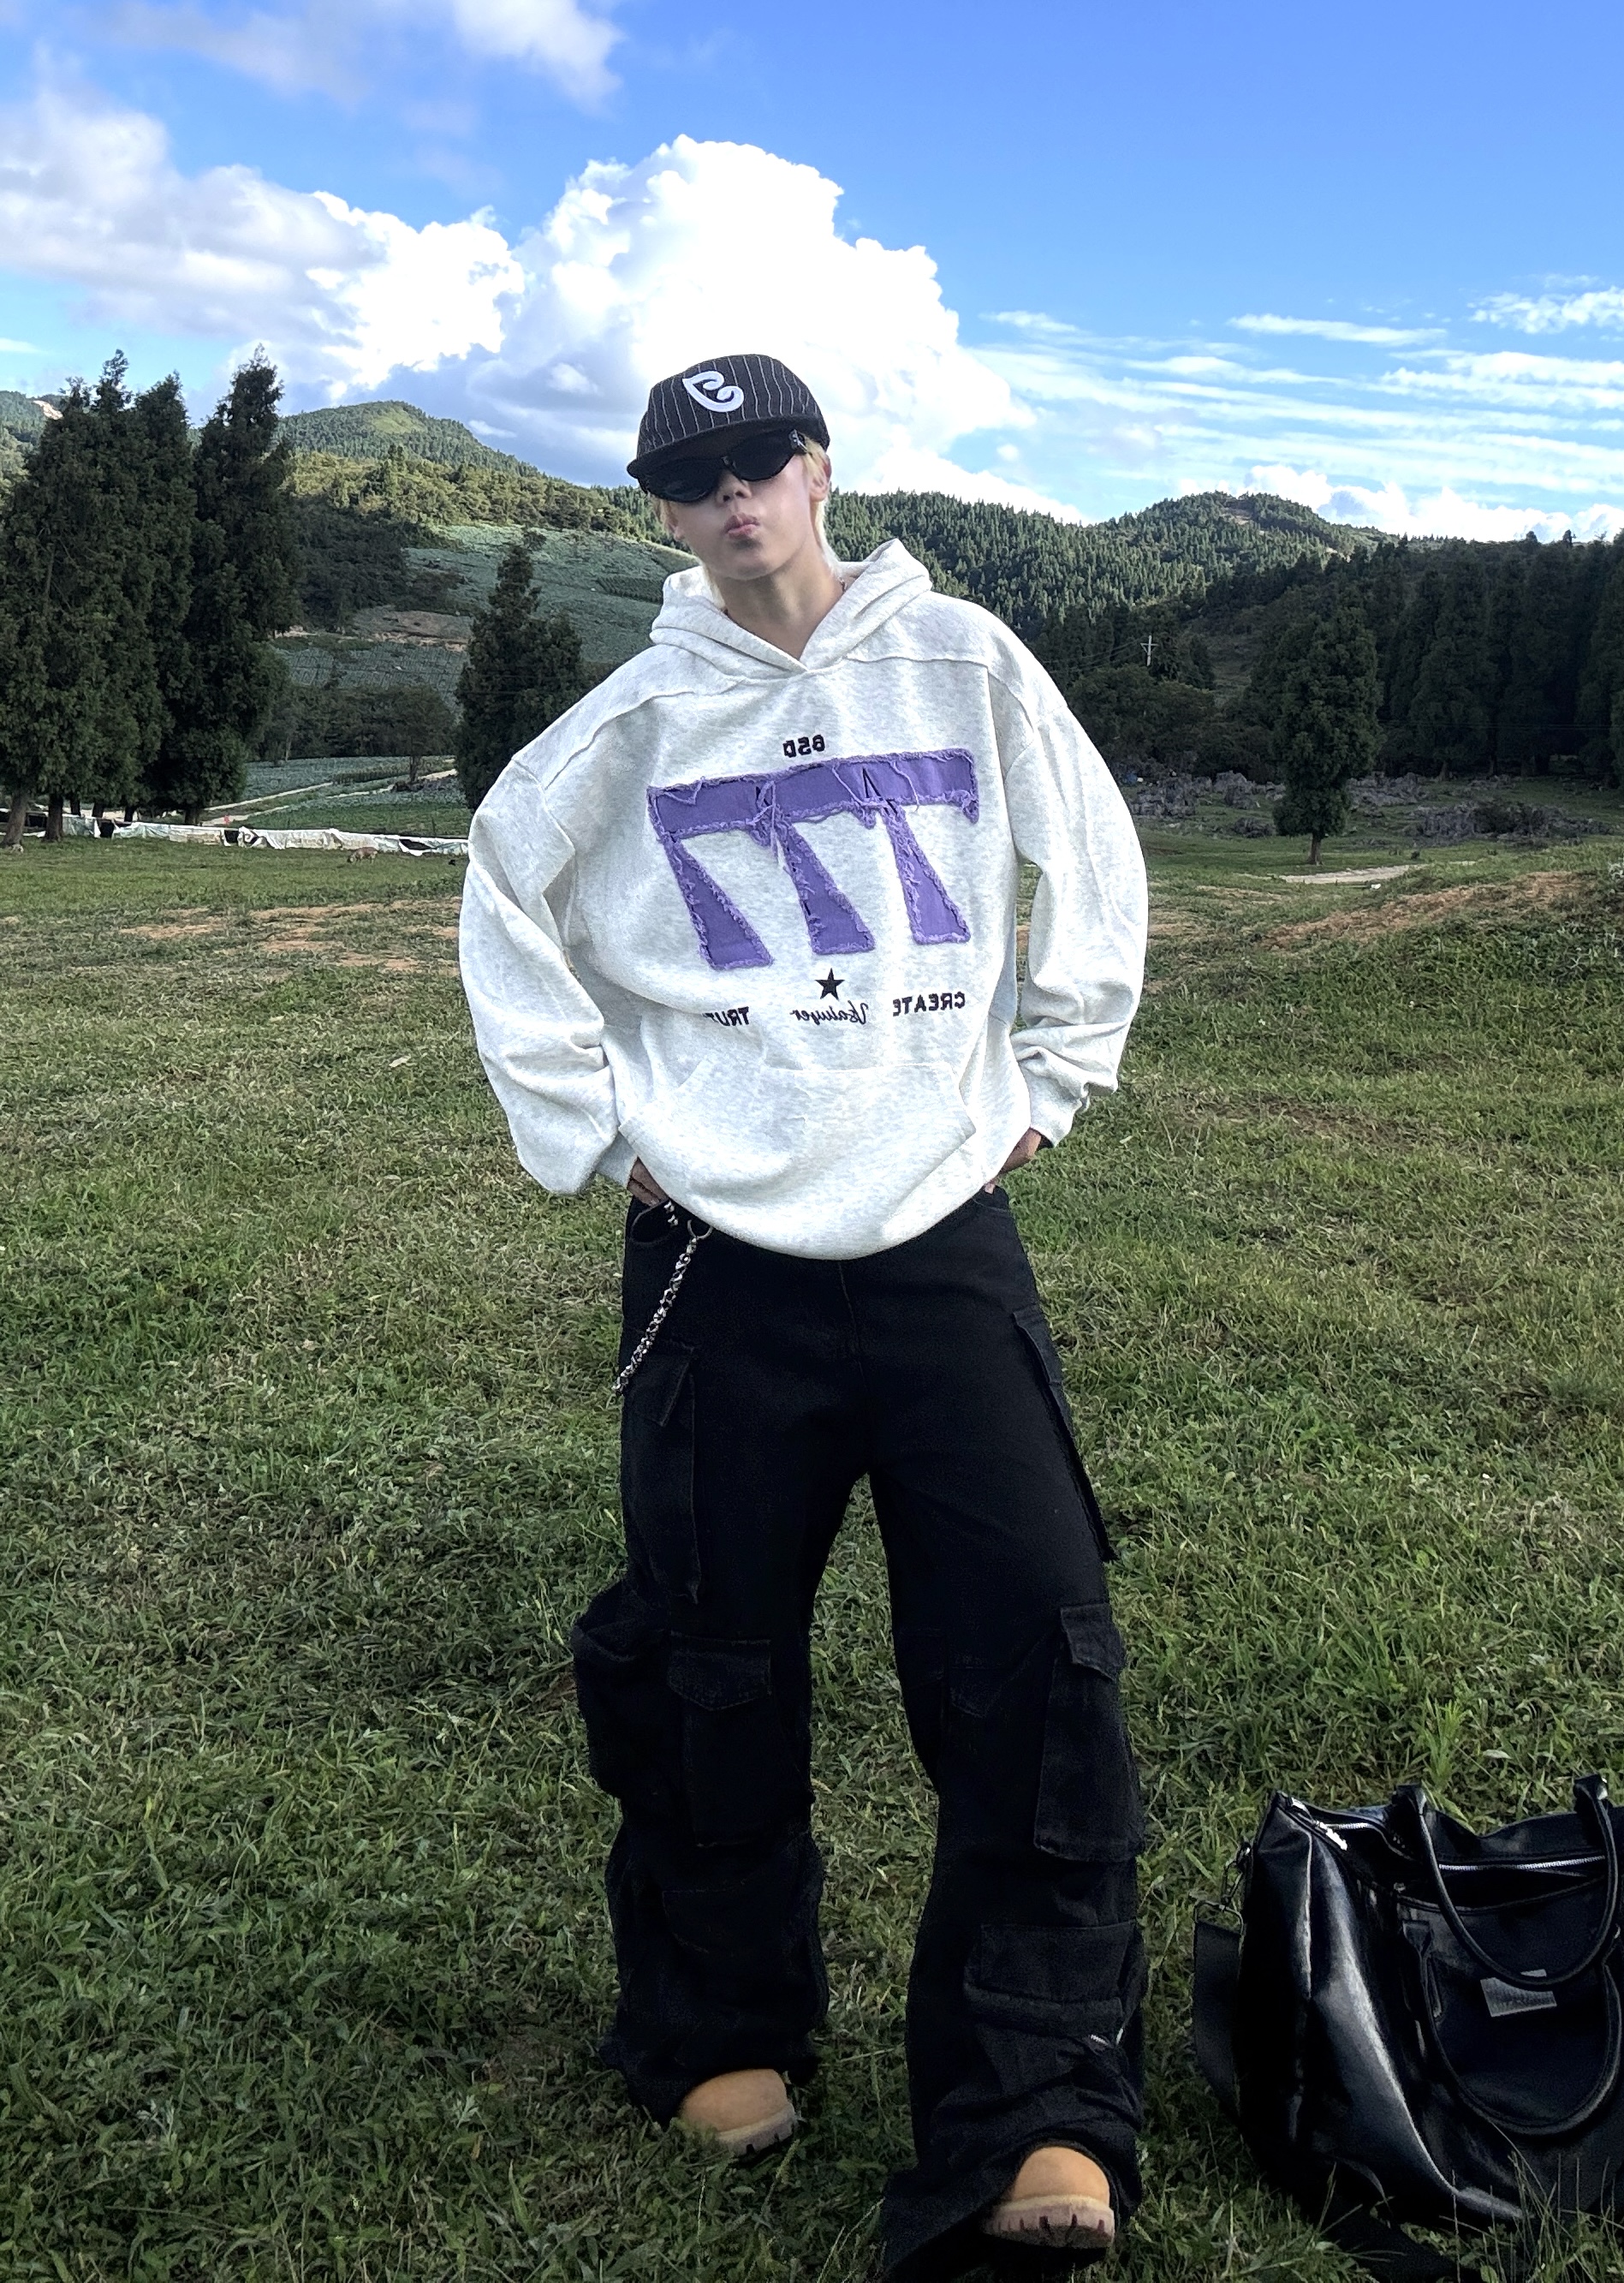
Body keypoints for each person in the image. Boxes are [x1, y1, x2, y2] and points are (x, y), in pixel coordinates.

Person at [459, 353, 1150, 2277]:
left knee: (1034, 1656)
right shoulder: (634, 717)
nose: (736, 497)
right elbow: (504, 894)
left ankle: (1032, 2100)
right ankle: (722, 2024)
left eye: (762, 458)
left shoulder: (965, 663)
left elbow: (1091, 858)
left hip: (939, 1234)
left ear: (821, 469)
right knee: (710, 1657)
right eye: (695, 477)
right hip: (716, 1259)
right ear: (664, 511)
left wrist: (1049, 1075)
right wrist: (606, 1135)